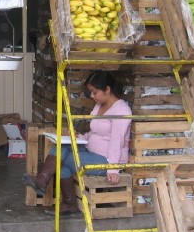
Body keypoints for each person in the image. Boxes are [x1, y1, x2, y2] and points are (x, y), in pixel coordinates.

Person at [23, 70, 132, 216]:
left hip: (106, 160)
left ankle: (57, 193)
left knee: (63, 160)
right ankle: (46, 183)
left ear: (107, 89)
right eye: (90, 93)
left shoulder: (121, 110)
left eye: (94, 92)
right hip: (90, 152)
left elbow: (116, 141)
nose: (92, 96)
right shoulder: (100, 105)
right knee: (62, 146)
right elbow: (95, 132)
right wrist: (80, 136)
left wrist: (112, 169)